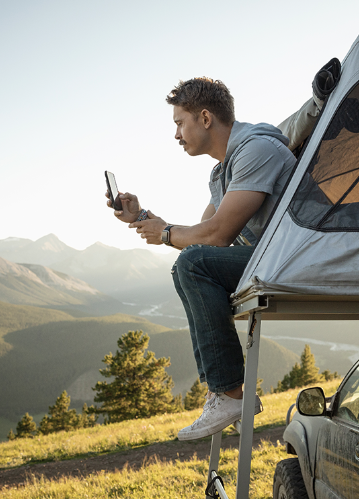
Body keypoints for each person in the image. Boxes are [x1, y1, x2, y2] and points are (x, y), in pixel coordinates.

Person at [107, 68, 337, 440]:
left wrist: (165, 234)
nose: (176, 134)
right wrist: (143, 217)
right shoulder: (221, 174)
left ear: (205, 118)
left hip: (301, 256)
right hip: (273, 258)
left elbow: (216, 236)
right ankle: (226, 393)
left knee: (193, 266)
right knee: (192, 264)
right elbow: (201, 237)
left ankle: (229, 393)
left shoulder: (256, 150)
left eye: (180, 123)